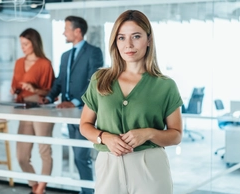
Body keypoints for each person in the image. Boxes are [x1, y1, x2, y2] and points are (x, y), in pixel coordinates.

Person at [79, 10, 183, 194]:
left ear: (148, 40)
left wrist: (148, 133)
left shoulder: (166, 85)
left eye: (136, 36)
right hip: (108, 165)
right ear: (115, 42)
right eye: (121, 38)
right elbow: (85, 125)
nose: (128, 44)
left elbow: (176, 135)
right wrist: (104, 137)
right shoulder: (100, 79)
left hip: (150, 167)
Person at [40, 16, 103, 194]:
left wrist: (75, 102)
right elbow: (60, 81)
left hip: (84, 110)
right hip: (67, 112)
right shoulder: (65, 55)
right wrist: (50, 98)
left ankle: (89, 191)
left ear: (77, 31)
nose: (63, 32)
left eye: (66, 28)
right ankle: (87, 191)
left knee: (81, 156)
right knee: (78, 156)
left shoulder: (94, 52)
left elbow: (93, 81)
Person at [11, 28, 55, 194]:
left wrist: (35, 89)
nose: (23, 47)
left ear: (34, 43)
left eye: (26, 44)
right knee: (22, 156)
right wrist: (15, 91)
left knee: (44, 151)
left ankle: (39, 190)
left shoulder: (45, 64)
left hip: (41, 108)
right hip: (24, 109)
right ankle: (36, 187)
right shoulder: (18, 63)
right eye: (21, 44)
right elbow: (15, 86)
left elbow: (51, 92)